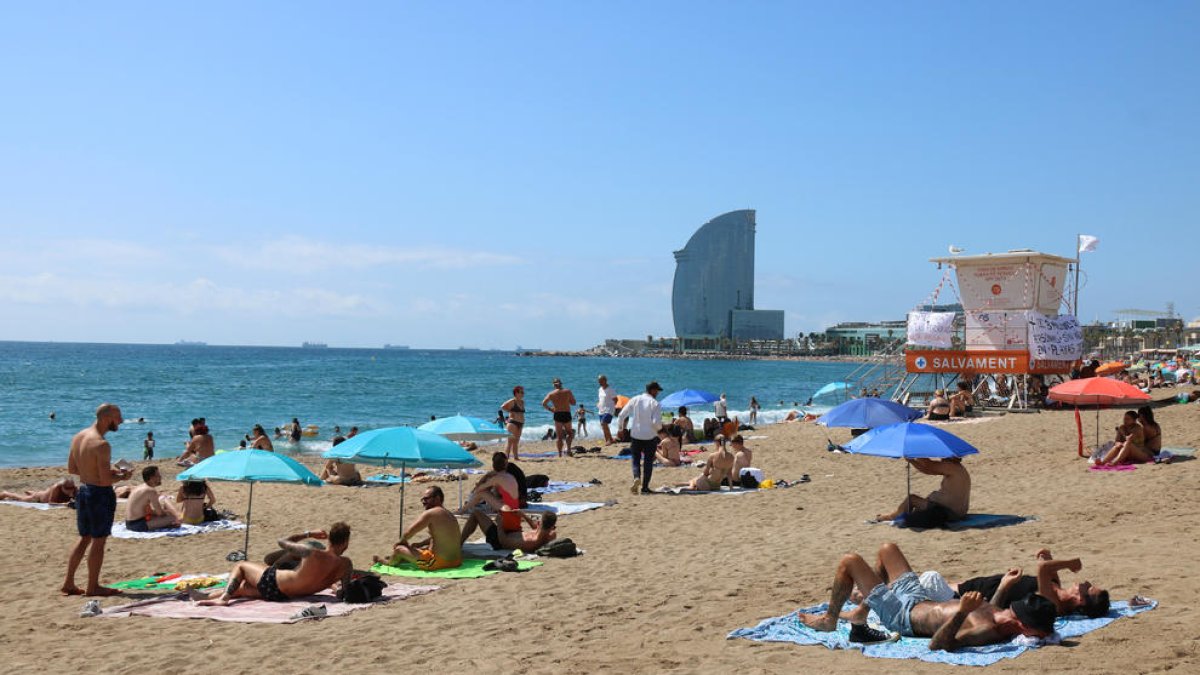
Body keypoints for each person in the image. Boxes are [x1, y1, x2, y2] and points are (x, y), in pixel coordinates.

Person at [800, 542, 1057, 648]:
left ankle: (830, 620)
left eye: (1016, 612)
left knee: (850, 561)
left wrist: (963, 611)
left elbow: (939, 644)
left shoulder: (988, 631)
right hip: (917, 598)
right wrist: (1003, 586)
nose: (1011, 609)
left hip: (902, 616)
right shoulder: (1004, 615)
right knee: (887, 550)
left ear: (1023, 626)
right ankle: (861, 612)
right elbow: (993, 609)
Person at [62, 403, 133, 596]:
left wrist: (101, 472)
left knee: (84, 538)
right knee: (99, 541)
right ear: (106, 418)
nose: (120, 421)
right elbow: (104, 480)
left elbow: (73, 469)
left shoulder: (79, 437)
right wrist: (122, 477)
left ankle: (68, 583)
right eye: (117, 417)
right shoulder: (102, 444)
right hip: (99, 495)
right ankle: (93, 586)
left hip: (84, 491)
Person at [196, 523, 353, 604]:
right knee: (242, 589)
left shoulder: (310, 552)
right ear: (345, 542)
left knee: (241, 566)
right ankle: (206, 596)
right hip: (283, 595)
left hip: (273, 582)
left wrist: (309, 534)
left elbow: (282, 542)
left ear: (329, 539)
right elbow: (345, 593)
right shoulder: (346, 565)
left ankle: (224, 598)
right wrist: (336, 589)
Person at [947, 548, 1110, 618]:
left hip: (980, 594)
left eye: (1088, 587)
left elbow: (1042, 569)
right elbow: (1047, 569)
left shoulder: (1053, 605)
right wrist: (1046, 555)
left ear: (1080, 599)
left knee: (932, 585)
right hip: (985, 583)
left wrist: (1069, 563)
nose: (1086, 582)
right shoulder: (1058, 590)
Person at [375, 487, 462, 571]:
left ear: (437, 498)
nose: (424, 502)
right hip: (456, 561)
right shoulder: (449, 514)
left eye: (426, 499)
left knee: (399, 549)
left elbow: (409, 532)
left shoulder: (431, 513)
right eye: (423, 499)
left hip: (437, 563)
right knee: (416, 548)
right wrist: (421, 543)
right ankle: (402, 557)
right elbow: (442, 536)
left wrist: (400, 542)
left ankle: (389, 563)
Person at [875, 457, 971, 528]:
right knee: (918, 508)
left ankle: (891, 517)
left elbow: (928, 465)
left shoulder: (951, 466)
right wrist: (911, 460)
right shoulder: (959, 468)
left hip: (946, 512)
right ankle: (897, 515)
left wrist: (918, 451)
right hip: (958, 512)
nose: (941, 458)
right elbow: (928, 470)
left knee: (911, 499)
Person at [617, 381, 663, 494]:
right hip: (650, 436)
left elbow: (621, 415)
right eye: (657, 391)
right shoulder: (654, 403)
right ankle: (645, 487)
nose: (657, 393)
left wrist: (620, 429)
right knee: (648, 462)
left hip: (636, 435)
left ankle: (636, 477)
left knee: (636, 459)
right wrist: (658, 429)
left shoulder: (635, 399)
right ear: (652, 390)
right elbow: (656, 422)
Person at [458, 453, 526, 531]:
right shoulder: (510, 476)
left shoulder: (498, 478)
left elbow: (478, 489)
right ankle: (465, 508)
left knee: (482, 493)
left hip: (508, 508)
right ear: (506, 463)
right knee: (487, 492)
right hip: (514, 505)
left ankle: (461, 511)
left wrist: (486, 478)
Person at [461, 508, 557, 552]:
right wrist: (523, 515)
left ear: (540, 523)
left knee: (476, 513)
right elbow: (536, 527)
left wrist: (499, 524)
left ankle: (459, 543)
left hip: (498, 539)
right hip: (510, 533)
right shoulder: (551, 534)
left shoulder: (530, 541)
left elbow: (504, 542)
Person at [124, 466, 180, 532]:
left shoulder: (140, 487)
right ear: (151, 478)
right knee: (172, 518)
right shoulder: (150, 490)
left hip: (129, 522)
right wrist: (169, 512)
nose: (160, 477)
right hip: (137, 525)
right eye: (158, 475)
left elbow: (149, 511)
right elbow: (160, 513)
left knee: (166, 516)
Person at [541, 378, 577, 457]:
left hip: (557, 414)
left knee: (559, 436)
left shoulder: (551, 394)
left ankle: (560, 454)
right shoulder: (567, 391)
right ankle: (568, 450)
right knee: (570, 433)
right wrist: (567, 401)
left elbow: (543, 403)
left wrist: (551, 409)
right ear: (561, 383)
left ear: (553, 385)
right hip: (566, 413)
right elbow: (574, 403)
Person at [0, 478, 77, 504]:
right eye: (67, 489)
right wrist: (65, 504)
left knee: (41, 493)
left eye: (71, 488)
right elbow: (51, 503)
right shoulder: (56, 487)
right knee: (22, 499)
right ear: (62, 487)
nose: (69, 490)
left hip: (44, 493)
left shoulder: (74, 489)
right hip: (40, 498)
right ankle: (6, 493)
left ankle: (33, 492)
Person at [500, 386, 526, 460]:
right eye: (521, 392)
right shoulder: (512, 401)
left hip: (520, 423)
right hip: (513, 423)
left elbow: (521, 413)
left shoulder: (522, 402)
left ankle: (516, 457)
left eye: (523, 392)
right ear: (516, 393)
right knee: (510, 441)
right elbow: (503, 406)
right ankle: (506, 458)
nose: (523, 394)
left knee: (516, 441)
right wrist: (511, 411)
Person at [597, 375, 618, 446]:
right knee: (603, 425)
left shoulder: (610, 389)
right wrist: (598, 404)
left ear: (605, 380)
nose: (599, 382)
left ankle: (609, 440)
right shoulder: (600, 389)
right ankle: (609, 439)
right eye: (598, 381)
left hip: (609, 410)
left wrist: (612, 407)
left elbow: (616, 399)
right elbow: (601, 399)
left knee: (604, 423)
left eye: (600, 381)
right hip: (601, 410)